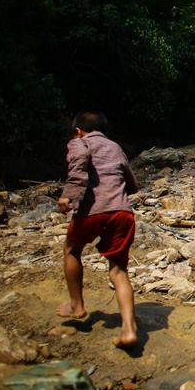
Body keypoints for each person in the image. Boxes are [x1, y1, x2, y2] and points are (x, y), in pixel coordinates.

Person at [56, 111, 140, 349]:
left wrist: (68, 196)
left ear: (77, 130)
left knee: (72, 249)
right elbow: (131, 181)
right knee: (119, 271)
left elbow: (79, 164)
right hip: (122, 212)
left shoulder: (79, 142)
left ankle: (77, 305)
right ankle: (128, 330)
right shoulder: (115, 146)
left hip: (93, 211)